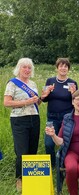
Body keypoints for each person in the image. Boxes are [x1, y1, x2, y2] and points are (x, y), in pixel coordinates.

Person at [45, 90, 79, 195]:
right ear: (72, 102)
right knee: (71, 169)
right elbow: (60, 142)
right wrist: (53, 135)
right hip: (71, 152)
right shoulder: (67, 118)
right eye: (77, 99)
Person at [4, 58, 41, 191]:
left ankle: (30, 179)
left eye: (29, 68)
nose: (27, 70)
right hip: (19, 120)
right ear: (19, 68)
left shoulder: (33, 84)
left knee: (32, 150)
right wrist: (26, 101)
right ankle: (19, 179)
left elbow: (36, 103)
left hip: (34, 118)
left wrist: (39, 98)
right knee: (21, 152)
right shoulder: (12, 83)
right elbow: (7, 103)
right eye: (24, 67)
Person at [41, 58, 78, 167]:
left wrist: (73, 93)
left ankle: (65, 164)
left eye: (65, 66)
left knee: (66, 143)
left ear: (68, 69)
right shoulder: (50, 81)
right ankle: (52, 167)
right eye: (61, 66)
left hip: (67, 118)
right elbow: (43, 99)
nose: (63, 68)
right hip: (52, 118)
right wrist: (46, 93)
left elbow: (77, 103)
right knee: (48, 143)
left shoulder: (72, 83)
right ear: (57, 68)